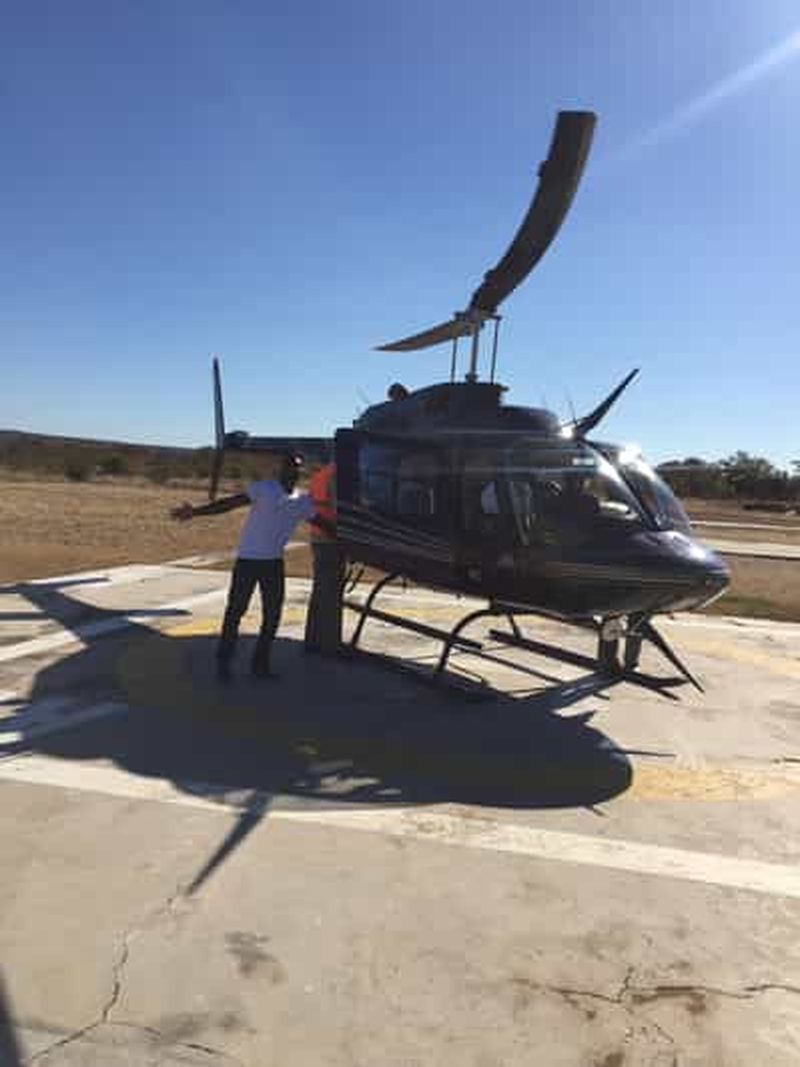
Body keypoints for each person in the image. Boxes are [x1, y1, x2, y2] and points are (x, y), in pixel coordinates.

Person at [170, 453, 314, 682]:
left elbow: (319, 521)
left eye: (297, 468)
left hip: (273, 564)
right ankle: (223, 664)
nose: (293, 472)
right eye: (288, 467)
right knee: (235, 612)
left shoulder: (302, 500)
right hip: (248, 561)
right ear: (280, 470)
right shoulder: (264, 489)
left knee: (272, 615)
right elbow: (230, 504)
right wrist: (196, 512)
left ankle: (260, 664)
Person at [304, 461, 344, 655]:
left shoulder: (320, 475)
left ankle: (313, 639)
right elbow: (338, 508)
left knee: (320, 591)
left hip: (318, 537)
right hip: (330, 538)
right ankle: (329, 644)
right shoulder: (337, 475)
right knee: (331, 594)